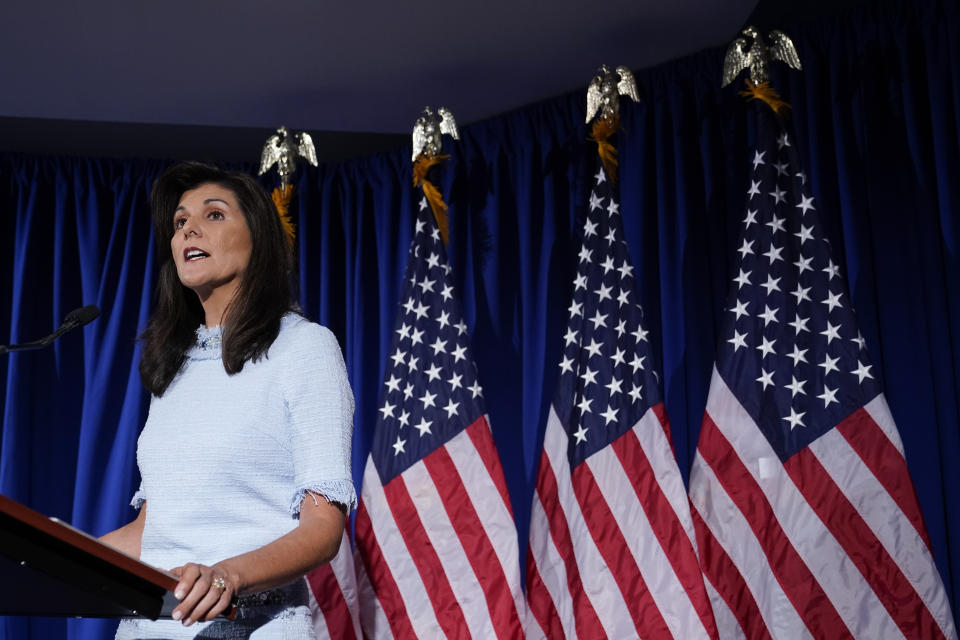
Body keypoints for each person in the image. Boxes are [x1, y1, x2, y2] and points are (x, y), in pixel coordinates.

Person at [99, 161, 355, 639]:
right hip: (149, 626)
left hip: (251, 624)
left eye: (213, 214)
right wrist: (52, 556)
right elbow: (153, 528)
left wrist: (227, 575)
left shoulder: (305, 348)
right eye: (179, 222)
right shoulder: (175, 366)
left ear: (259, 238)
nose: (189, 228)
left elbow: (323, 530)